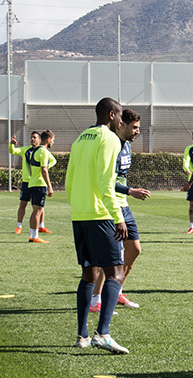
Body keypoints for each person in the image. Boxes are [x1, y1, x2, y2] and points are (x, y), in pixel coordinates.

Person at [66, 97, 129, 354]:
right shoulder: (110, 139)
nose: (122, 121)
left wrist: (78, 207)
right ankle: (103, 333)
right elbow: (105, 181)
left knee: (88, 273)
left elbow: (69, 179)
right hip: (99, 215)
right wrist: (118, 216)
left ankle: (82, 335)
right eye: (120, 115)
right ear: (112, 115)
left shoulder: (80, 138)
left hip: (79, 215)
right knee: (116, 272)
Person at [90, 108, 151, 313]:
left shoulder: (127, 147)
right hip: (110, 207)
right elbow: (106, 180)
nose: (137, 132)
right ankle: (96, 299)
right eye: (134, 128)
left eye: (138, 128)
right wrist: (130, 190)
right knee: (112, 258)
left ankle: (116, 291)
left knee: (134, 250)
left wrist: (128, 192)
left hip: (124, 204)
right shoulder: (111, 144)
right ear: (121, 124)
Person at [9, 131, 52, 235]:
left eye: (35, 137)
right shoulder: (25, 150)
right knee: (23, 204)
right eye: (31, 137)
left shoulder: (42, 151)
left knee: (38, 207)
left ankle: (41, 226)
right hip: (27, 181)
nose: (33, 139)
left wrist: (43, 168)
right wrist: (11, 144)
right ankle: (19, 226)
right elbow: (13, 151)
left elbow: (53, 161)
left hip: (36, 181)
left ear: (39, 140)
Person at [26, 130, 55, 244]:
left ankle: (33, 235)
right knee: (37, 211)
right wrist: (50, 186)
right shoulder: (44, 152)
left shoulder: (35, 151)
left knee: (36, 211)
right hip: (39, 184)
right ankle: (34, 237)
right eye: (53, 140)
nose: (53, 142)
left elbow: (32, 168)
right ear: (48, 140)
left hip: (33, 183)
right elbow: (44, 169)